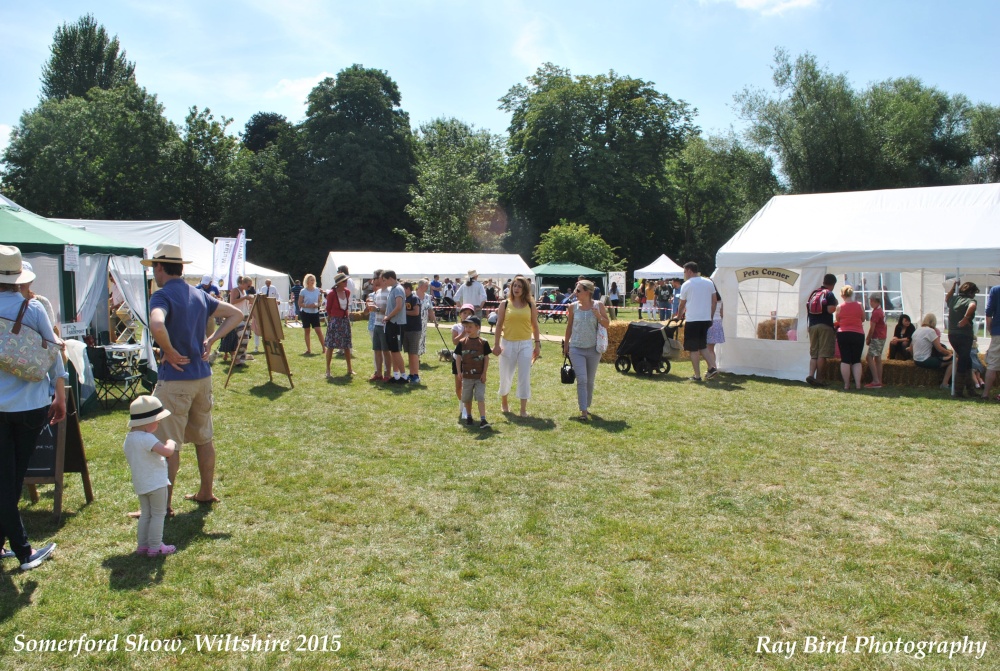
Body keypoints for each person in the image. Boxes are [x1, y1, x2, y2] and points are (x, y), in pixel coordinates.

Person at [144, 242, 243, 512]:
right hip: (202, 378)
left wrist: (169, 350)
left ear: (160, 267)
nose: (153, 271)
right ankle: (206, 491)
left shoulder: (162, 296)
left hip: (175, 380)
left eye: (154, 266)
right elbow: (236, 313)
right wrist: (211, 340)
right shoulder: (199, 295)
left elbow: (156, 323)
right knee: (203, 438)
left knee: (169, 444)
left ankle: (162, 506)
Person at [0, 245, 65, 571]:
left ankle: (8, 545)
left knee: (6, 480)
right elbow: (54, 353)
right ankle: (24, 552)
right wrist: (61, 393)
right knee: (11, 478)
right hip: (29, 405)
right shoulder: (33, 307)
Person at [123, 396, 177, 557]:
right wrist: (171, 442)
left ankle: (142, 545)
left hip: (141, 483)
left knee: (146, 514)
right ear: (147, 422)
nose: (159, 423)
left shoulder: (129, 439)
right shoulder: (147, 438)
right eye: (157, 420)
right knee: (159, 514)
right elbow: (167, 452)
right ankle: (155, 546)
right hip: (157, 483)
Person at [493, 275, 542, 417]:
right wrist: (496, 344)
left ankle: (523, 409)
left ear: (525, 289)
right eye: (514, 286)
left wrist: (537, 345)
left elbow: (535, 325)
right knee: (505, 375)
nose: (516, 288)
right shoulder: (505, 304)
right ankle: (504, 403)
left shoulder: (531, 305)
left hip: (526, 344)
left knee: (524, 376)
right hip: (507, 343)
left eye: (520, 286)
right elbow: (499, 324)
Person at [563, 280, 610, 420]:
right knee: (582, 379)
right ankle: (583, 410)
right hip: (576, 348)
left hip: (593, 349)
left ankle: (587, 404)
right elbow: (569, 326)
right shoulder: (573, 307)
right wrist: (566, 345)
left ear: (587, 292)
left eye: (578, 291)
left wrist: (599, 316)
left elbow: (607, 324)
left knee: (590, 381)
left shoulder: (598, 305)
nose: (575, 293)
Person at [677, 262, 719, 382]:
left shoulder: (687, 284)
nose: (684, 274)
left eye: (685, 272)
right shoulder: (709, 282)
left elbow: (682, 304)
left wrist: (679, 316)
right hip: (705, 319)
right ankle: (712, 367)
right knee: (702, 345)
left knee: (693, 349)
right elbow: (714, 301)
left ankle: (697, 375)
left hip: (693, 319)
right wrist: (710, 316)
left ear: (689, 271)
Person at [454, 315, 492, 429]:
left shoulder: (483, 343)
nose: (467, 329)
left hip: (479, 376)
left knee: (480, 396)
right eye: (466, 327)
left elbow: (486, 358)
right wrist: (459, 372)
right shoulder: (462, 342)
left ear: (478, 327)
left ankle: (483, 419)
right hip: (467, 376)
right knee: (467, 397)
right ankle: (469, 416)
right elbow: (458, 357)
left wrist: (484, 373)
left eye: (470, 327)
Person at [945, 280, 979, 396]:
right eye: (974, 293)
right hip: (964, 335)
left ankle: (970, 389)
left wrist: (953, 288)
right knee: (963, 360)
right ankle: (958, 390)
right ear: (970, 292)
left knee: (967, 360)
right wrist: (966, 318)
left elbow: (947, 298)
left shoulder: (954, 299)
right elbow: (972, 306)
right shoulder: (970, 300)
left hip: (952, 334)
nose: (974, 295)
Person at [805, 274, 839, 387]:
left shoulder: (814, 293)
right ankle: (819, 378)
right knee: (822, 354)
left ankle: (810, 375)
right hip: (825, 326)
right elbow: (830, 310)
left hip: (812, 326)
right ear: (833, 284)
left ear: (823, 281)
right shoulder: (829, 294)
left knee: (814, 353)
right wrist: (835, 304)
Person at [910, 313, 954, 389]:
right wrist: (949, 353)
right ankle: (945, 383)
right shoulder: (930, 331)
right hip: (925, 360)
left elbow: (911, 348)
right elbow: (939, 348)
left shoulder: (917, 331)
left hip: (916, 360)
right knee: (954, 361)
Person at [835, 286, 866, 390]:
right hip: (858, 333)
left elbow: (838, 319)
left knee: (845, 359)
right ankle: (858, 384)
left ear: (842, 295)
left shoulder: (839, 306)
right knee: (856, 360)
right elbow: (863, 319)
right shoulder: (860, 305)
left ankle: (846, 384)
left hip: (843, 333)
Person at [324, 272, 354, 378]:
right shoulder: (332, 294)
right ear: (339, 283)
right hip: (335, 321)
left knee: (346, 345)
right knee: (331, 346)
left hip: (345, 320)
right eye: (345, 281)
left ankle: (350, 369)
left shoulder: (347, 292)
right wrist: (332, 319)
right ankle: (328, 370)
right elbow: (328, 308)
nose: (346, 282)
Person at [381, 270, 408, 384]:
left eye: (385, 280)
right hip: (392, 324)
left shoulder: (398, 289)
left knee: (396, 351)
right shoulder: (393, 289)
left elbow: (398, 306)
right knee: (393, 350)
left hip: (396, 324)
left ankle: (404, 376)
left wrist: (388, 317)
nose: (384, 282)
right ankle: (396, 376)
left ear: (391, 278)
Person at [451, 304, 475, 419]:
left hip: (469, 360)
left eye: (469, 313)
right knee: (458, 385)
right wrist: (464, 332)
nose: (467, 315)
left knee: (467, 384)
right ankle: (461, 401)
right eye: (464, 313)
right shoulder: (456, 327)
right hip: (457, 360)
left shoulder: (474, 328)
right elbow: (455, 342)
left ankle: (466, 407)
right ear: (460, 314)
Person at [367, 270, 388, 381]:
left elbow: (391, 310)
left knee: (386, 351)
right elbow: (370, 308)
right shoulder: (378, 293)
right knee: (377, 350)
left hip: (385, 325)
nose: (376, 280)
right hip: (376, 324)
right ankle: (378, 374)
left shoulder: (389, 291)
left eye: (378, 277)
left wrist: (378, 309)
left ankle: (387, 374)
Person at [297, 274, 324, 355]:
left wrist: (317, 305)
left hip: (315, 312)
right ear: (307, 281)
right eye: (311, 280)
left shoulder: (317, 290)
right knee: (307, 331)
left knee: (318, 330)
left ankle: (324, 348)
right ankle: (308, 349)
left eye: (313, 280)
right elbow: (299, 303)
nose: (312, 282)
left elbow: (320, 302)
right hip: (305, 313)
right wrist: (308, 306)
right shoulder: (303, 291)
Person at [982, 280, 1000, 401]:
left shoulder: (995, 289)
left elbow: (989, 311)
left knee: (992, 364)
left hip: (998, 331)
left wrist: (989, 327)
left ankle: (985, 394)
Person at [402, 282, 423, 383]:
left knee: (414, 353)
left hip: (414, 329)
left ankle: (416, 375)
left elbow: (416, 312)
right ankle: (411, 373)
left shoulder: (414, 298)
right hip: (406, 329)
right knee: (409, 353)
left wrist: (403, 312)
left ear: (407, 288)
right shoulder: (404, 299)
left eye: (403, 289)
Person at [865, 296, 887, 388]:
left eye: (871, 301)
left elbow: (872, 328)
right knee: (877, 358)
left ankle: (875, 380)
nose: (870, 303)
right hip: (882, 336)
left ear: (875, 301)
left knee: (869, 357)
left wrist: (868, 338)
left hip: (877, 337)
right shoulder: (880, 311)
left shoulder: (876, 312)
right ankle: (879, 380)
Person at [416, 279, 436, 357]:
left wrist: (434, 321)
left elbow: (430, 310)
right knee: (415, 339)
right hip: (414, 321)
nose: (427, 288)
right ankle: (414, 356)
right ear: (420, 286)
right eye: (426, 286)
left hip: (423, 322)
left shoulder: (427, 297)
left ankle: (418, 356)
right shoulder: (413, 295)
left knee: (421, 338)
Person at [706, 290, 724, 360]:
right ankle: (713, 367)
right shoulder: (720, 301)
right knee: (711, 349)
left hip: (710, 323)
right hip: (718, 323)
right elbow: (722, 314)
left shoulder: (708, 301)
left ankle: (713, 367)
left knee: (709, 349)